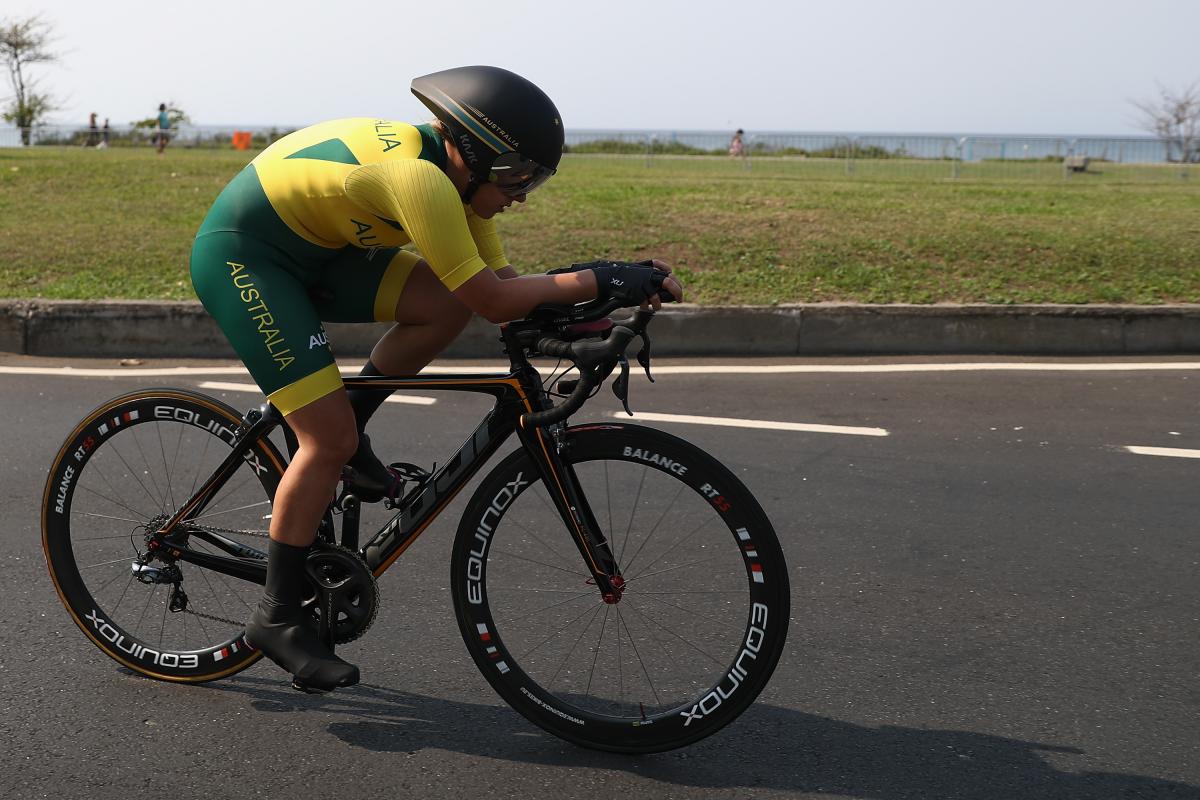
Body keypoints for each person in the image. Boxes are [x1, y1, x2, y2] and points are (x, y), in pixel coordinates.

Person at [189, 65, 683, 692]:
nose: (524, 193)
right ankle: (277, 616)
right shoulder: (419, 180)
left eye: (537, 178)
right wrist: (606, 277)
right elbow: (497, 300)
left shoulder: (459, 184)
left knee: (442, 305)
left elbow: (495, 290)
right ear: (473, 152)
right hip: (248, 257)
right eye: (517, 175)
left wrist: (590, 304)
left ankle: (353, 430)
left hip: (323, 251)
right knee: (324, 440)